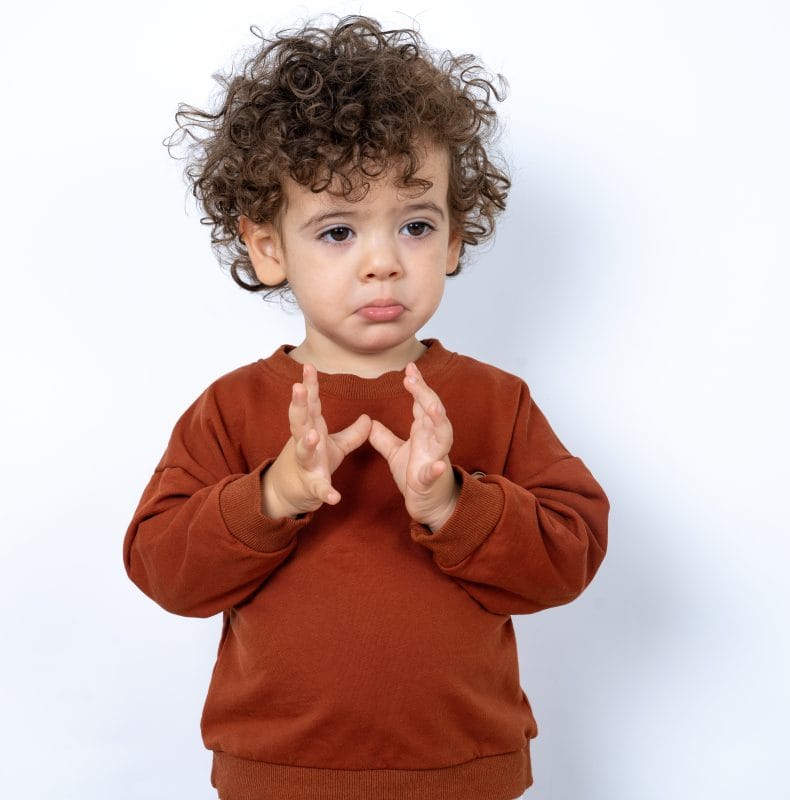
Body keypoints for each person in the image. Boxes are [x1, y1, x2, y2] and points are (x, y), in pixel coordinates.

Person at [123, 15, 609, 800]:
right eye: (339, 230)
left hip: (464, 776)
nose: (384, 262)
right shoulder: (233, 408)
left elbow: (569, 554)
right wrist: (272, 496)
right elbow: (163, 568)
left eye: (416, 225)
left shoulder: (495, 402)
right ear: (269, 246)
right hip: (279, 779)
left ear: (453, 238)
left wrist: (453, 501)